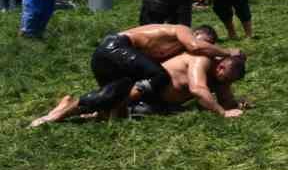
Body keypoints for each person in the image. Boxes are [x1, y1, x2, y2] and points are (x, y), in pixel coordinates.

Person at [28, 24, 236, 126]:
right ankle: (54, 116)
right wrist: (228, 52)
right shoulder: (183, 32)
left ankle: (69, 107)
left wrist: (234, 103)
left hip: (117, 58)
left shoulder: (182, 52)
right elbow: (194, 46)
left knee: (111, 96)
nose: (201, 50)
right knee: (159, 76)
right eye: (204, 44)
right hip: (115, 47)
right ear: (198, 35)